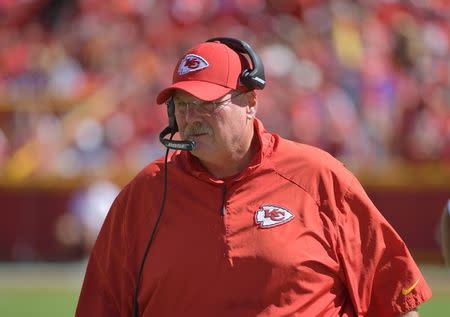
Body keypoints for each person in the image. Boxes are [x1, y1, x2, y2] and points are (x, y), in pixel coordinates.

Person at [75, 38, 432, 317]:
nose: (190, 117)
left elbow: (395, 299)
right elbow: (101, 307)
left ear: (250, 102)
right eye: (181, 104)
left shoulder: (318, 177)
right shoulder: (145, 194)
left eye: (206, 103)